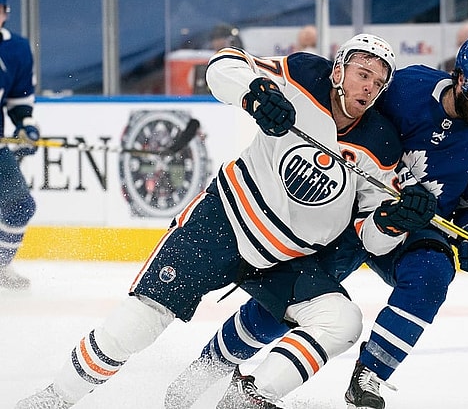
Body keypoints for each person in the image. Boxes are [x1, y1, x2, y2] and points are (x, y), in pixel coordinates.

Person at [15, 33, 438, 409]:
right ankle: (54, 399)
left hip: (286, 260)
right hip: (224, 224)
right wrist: (255, 93)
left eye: (378, 82)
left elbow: (373, 239)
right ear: (339, 70)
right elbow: (224, 64)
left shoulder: (382, 144)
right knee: (138, 323)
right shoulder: (304, 73)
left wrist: (395, 221)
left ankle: (245, 401)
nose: (369, 85)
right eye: (362, 73)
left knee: (342, 321)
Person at [165, 34, 468, 409]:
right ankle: (205, 370)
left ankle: (371, 375)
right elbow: (349, 111)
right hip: (348, 210)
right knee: (287, 303)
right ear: (461, 78)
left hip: (416, 224)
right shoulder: (408, 87)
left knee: (432, 275)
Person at [0, 0, 40, 290]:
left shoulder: (16, 49)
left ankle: (0, 266)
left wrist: (26, 125)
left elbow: (18, 99)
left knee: (19, 206)